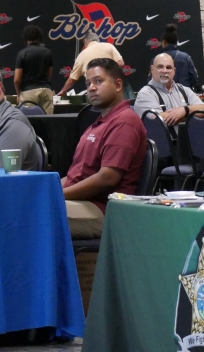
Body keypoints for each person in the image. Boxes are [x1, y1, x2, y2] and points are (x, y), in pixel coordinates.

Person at [63, 58, 147, 239]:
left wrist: (58, 195)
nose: (91, 88)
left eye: (98, 81)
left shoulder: (124, 122)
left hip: (105, 210)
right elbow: (74, 176)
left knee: (32, 214)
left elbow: (108, 178)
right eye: (88, 83)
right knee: (27, 205)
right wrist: (47, 188)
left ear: (118, 85)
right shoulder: (99, 123)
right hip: (82, 203)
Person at [132, 53, 204, 125]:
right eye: (160, 67)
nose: (165, 71)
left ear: (174, 71)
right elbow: (156, 120)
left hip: (189, 137)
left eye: (168, 67)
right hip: (162, 138)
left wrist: (185, 110)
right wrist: (191, 114)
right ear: (152, 69)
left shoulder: (184, 90)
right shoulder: (145, 94)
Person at [56, 31, 124, 96]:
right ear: (97, 40)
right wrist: (109, 74)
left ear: (86, 41)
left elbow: (71, 79)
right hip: (113, 86)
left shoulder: (81, 55)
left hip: (95, 90)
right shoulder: (109, 46)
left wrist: (63, 90)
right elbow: (120, 63)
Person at [13, 25, 55, 114]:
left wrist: (18, 94)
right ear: (39, 36)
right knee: (47, 122)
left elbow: (17, 80)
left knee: (29, 123)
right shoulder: (47, 52)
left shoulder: (22, 54)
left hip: (28, 92)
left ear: (25, 37)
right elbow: (49, 74)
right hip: (46, 90)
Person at [160, 24, 199, 91]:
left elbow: (151, 80)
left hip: (163, 97)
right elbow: (194, 78)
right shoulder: (186, 57)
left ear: (164, 42)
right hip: (183, 96)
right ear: (176, 42)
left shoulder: (157, 59)